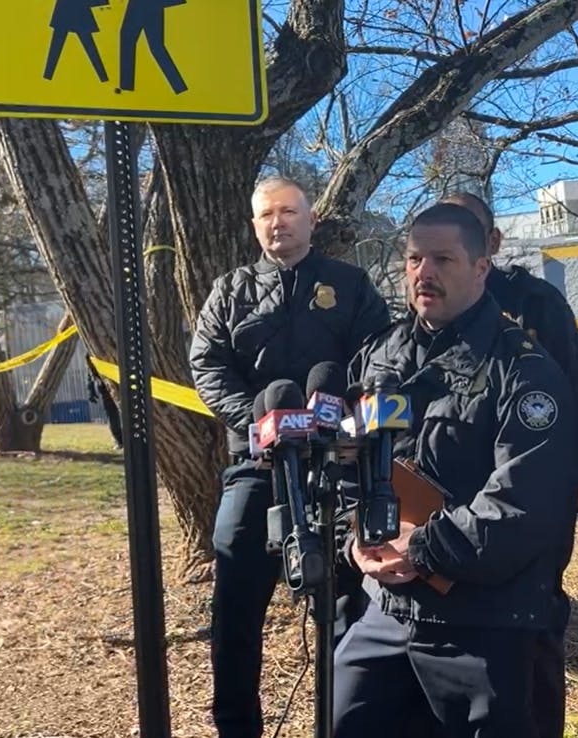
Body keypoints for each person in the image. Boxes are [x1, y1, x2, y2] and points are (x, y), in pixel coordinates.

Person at [333, 203, 578, 738]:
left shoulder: (524, 371)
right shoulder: (378, 357)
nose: (424, 272)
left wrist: (423, 548)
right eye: (414, 259)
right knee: (342, 720)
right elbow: (348, 463)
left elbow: (522, 502)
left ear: (480, 266)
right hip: (386, 609)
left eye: (443, 259)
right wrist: (353, 540)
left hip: (481, 619)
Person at [189, 176, 391, 738]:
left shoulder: (351, 285)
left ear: (311, 219)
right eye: (267, 215)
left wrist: (346, 418)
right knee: (234, 603)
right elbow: (206, 367)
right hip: (256, 466)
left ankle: (345, 723)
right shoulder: (230, 291)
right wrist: (258, 420)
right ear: (254, 225)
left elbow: (378, 358)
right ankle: (237, 727)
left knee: (348, 606)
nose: (278, 223)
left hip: (338, 467)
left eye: (288, 212)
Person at [437, 190, 578, 738]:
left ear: (492, 242)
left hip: (531, 505)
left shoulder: (535, 304)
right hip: (454, 512)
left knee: (534, 638)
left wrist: (563, 491)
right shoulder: (431, 306)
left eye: (465, 229)